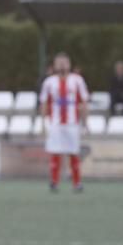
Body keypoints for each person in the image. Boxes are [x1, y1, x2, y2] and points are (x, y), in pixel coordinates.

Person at [39, 52, 89, 192]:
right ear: (54, 65)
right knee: (55, 152)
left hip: (72, 124)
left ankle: (77, 183)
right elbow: (43, 103)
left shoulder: (77, 80)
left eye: (64, 62)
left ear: (69, 64)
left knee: (73, 152)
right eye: (59, 62)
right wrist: (42, 123)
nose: (61, 65)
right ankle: (54, 182)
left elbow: (84, 101)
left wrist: (86, 122)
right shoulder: (49, 82)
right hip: (55, 123)